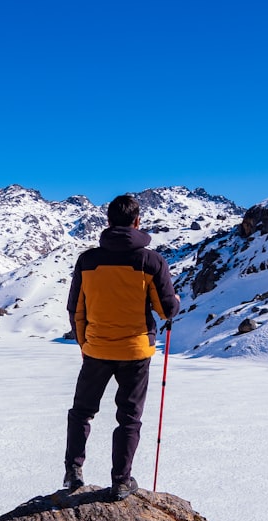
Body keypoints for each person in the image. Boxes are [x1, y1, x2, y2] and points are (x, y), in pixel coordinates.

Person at [64, 194, 180, 500]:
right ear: (137, 221)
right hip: (135, 351)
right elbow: (166, 309)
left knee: (81, 412)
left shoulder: (88, 261)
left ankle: (73, 471)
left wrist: (85, 344)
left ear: (108, 222)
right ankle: (121, 481)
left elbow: (76, 308)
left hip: (97, 349)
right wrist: (176, 303)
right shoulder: (150, 261)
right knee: (129, 418)